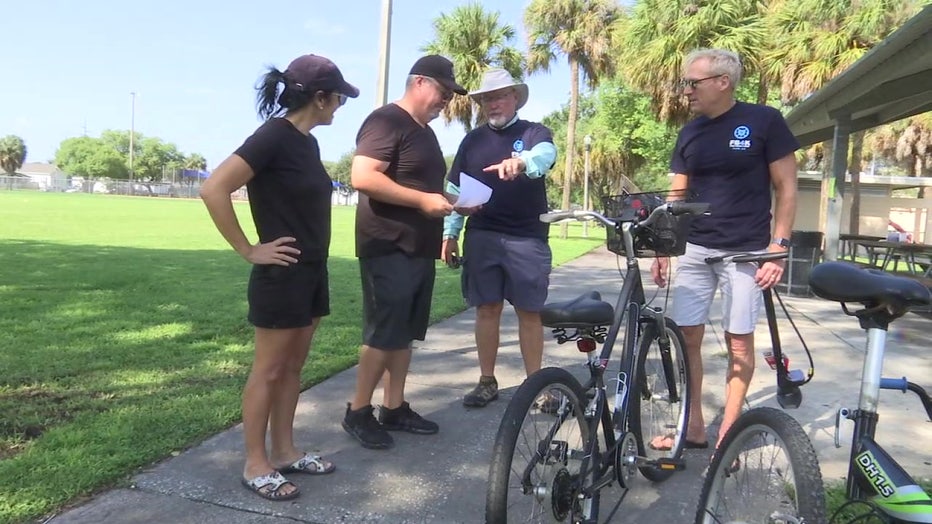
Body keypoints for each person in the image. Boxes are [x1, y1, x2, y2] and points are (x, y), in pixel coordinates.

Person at [200, 54, 358, 500]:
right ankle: (256, 464)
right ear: (320, 97)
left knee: (292, 368)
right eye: (338, 97)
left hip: (311, 271)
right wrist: (249, 249)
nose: (341, 105)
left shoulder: (306, 143)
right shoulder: (273, 135)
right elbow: (214, 188)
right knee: (268, 371)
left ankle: (285, 451)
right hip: (281, 273)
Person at [651, 48, 799, 451]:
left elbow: (786, 186)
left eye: (692, 83)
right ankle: (694, 425)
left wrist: (778, 246)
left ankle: (728, 435)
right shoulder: (690, 132)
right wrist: (665, 246)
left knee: (738, 342)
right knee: (687, 338)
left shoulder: (764, 120)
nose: (685, 91)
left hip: (746, 251)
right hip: (695, 249)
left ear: (723, 82)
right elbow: (676, 194)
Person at [341, 55, 466, 450]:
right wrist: (422, 202)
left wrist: (452, 200)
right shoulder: (385, 120)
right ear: (419, 83)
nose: (446, 100)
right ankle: (357, 410)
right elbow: (362, 176)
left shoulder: (424, 132)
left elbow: (421, 186)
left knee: (404, 333)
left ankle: (393, 408)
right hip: (388, 243)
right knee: (383, 332)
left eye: (449, 94)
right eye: (443, 91)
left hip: (418, 247)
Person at [439, 68, 558, 408]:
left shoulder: (534, 133)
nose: (493, 104)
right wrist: (450, 233)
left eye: (500, 96)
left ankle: (536, 385)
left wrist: (521, 162)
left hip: (527, 238)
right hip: (483, 236)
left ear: (515, 98)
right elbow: (455, 190)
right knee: (486, 309)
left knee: (528, 311)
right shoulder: (472, 141)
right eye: (487, 98)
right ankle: (486, 381)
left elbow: (546, 155)